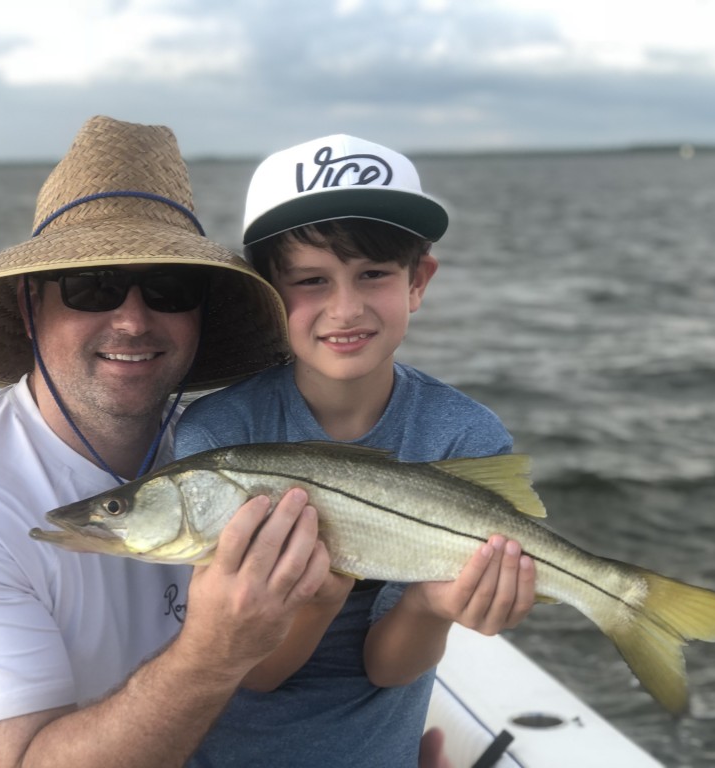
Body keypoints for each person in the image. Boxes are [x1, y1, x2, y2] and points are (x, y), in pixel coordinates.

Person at [0, 116, 330, 768]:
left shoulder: (217, 449)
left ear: (201, 313)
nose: (133, 320)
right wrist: (214, 650)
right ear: (31, 308)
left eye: (169, 287)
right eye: (93, 285)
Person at [173, 134, 538, 766]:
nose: (346, 308)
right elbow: (253, 672)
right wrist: (318, 599)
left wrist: (432, 604)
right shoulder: (217, 439)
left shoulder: (463, 435)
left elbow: (389, 667)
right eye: (311, 281)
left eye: (374, 274)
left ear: (418, 280)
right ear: (268, 293)